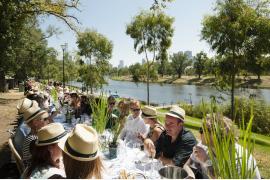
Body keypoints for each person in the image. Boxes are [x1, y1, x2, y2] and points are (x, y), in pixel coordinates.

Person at [184, 114, 261, 179]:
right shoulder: (203, 146)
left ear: (216, 135)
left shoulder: (239, 158)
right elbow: (188, 164)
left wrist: (206, 161)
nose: (199, 132)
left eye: (202, 130)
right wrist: (191, 175)